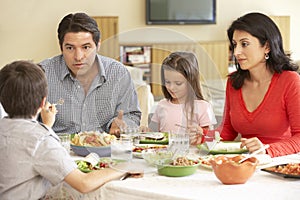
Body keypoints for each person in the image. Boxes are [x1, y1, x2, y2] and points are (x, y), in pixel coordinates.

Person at [0, 60, 133, 199]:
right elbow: (84, 183)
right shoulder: (41, 140)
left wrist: (46, 126)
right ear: (42, 102)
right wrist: (125, 166)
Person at [39, 12, 141, 135]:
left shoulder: (118, 73)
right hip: (57, 150)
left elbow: (132, 115)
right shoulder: (42, 74)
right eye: (70, 48)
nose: (78, 57)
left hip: (105, 149)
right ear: (61, 47)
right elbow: (25, 122)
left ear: (98, 45)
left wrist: (122, 123)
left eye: (86, 47)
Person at [219, 12, 300, 157]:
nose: (236, 52)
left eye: (244, 44)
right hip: (245, 161)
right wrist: (203, 136)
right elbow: (227, 131)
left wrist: (267, 149)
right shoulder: (233, 81)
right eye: (235, 45)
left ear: (267, 46)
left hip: (279, 164)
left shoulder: (290, 81)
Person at [148, 51, 216, 144]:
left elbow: (212, 138)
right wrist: (145, 132)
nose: (171, 88)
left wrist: (201, 133)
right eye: (167, 82)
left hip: (193, 156)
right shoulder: (162, 105)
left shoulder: (203, 106)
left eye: (178, 83)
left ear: (191, 82)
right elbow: (153, 133)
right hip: (164, 156)